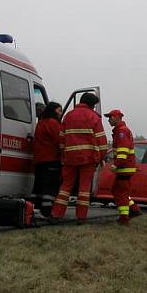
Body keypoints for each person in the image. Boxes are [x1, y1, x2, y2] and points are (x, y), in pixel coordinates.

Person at [50, 92, 107, 223]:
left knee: (65, 187)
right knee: (84, 188)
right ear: (92, 105)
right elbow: (102, 141)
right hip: (88, 159)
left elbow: (61, 138)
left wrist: (64, 155)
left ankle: (56, 214)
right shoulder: (94, 117)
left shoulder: (68, 116)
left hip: (70, 158)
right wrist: (100, 158)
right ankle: (81, 217)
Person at [104, 109, 141, 225]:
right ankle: (134, 210)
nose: (109, 120)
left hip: (124, 167)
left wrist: (116, 164)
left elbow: (123, 151)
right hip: (125, 167)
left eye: (110, 117)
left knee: (121, 193)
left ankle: (124, 218)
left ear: (117, 117)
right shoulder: (121, 131)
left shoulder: (121, 132)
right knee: (118, 190)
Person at [32, 101, 62, 216]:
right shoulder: (53, 123)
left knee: (38, 186)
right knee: (50, 186)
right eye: (59, 110)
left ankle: (34, 208)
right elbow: (59, 141)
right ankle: (46, 211)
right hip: (52, 159)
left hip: (39, 160)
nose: (60, 113)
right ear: (54, 110)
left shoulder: (40, 123)